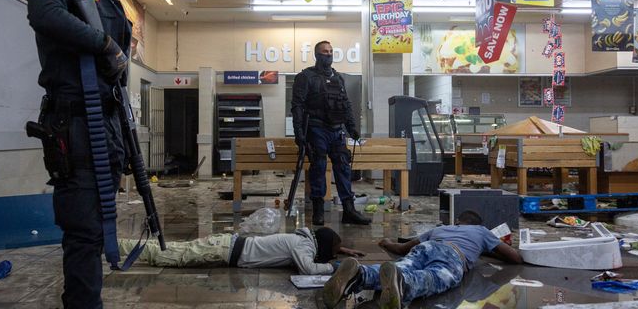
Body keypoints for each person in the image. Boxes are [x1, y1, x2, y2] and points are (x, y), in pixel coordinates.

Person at [27, 0, 142, 309]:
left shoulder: (112, 0)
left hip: (107, 123)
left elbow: (119, 72)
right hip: (74, 124)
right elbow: (44, 15)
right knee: (84, 231)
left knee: (97, 226)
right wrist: (103, 44)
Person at [323, 211, 522, 309]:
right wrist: (486, 249)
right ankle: (403, 284)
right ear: (478, 225)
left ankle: (359, 275)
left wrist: (387, 243)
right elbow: (515, 257)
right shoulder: (481, 231)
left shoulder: (441, 229)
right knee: (434, 276)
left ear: (457, 222)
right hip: (453, 255)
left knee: (401, 265)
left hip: (427, 247)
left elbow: (401, 249)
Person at [291, 41, 371, 226]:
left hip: (337, 130)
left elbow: (346, 104)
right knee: (318, 168)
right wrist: (299, 136)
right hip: (316, 129)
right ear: (317, 55)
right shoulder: (306, 77)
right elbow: (297, 107)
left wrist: (352, 129)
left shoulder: (338, 77)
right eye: (324, 52)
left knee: (343, 167)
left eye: (331, 52)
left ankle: (349, 210)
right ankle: (318, 210)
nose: (328, 55)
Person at [118, 227, 365, 275]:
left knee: (172, 249)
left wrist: (343, 250)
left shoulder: (303, 238)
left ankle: (114, 244)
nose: (331, 254)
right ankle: (114, 246)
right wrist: (334, 267)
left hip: (227, 246)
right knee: (168, 256)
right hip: (223, 251)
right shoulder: (301, 246)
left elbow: (321, 245)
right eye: (331, 250)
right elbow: (309, 268)